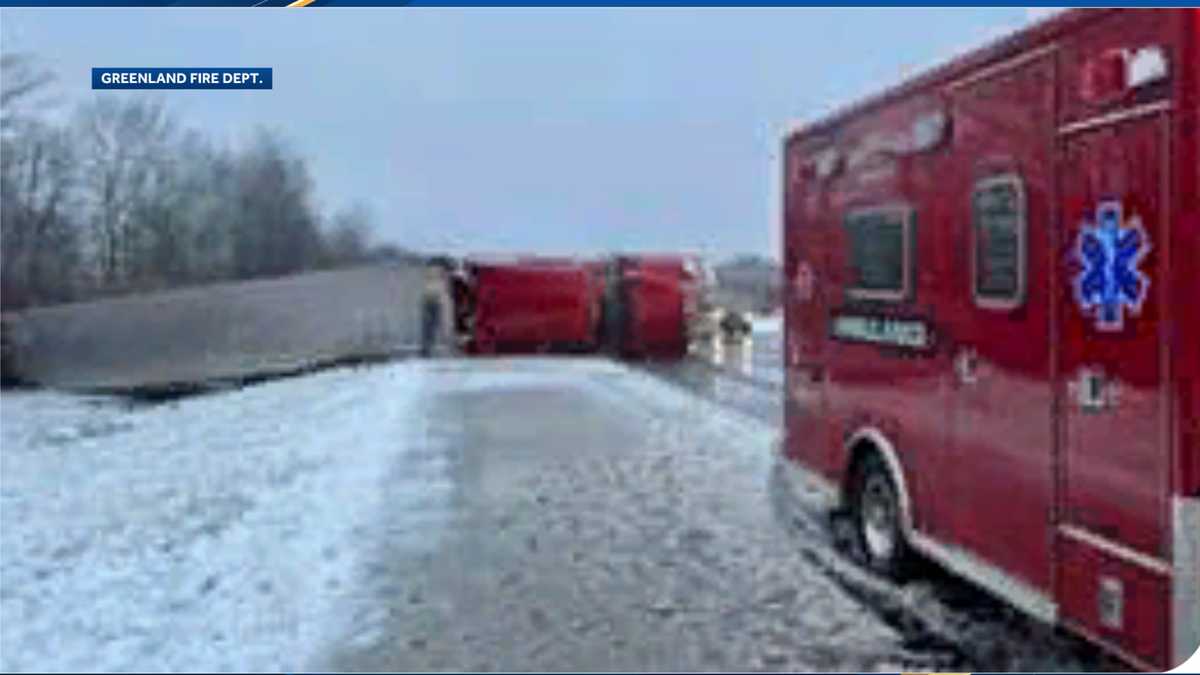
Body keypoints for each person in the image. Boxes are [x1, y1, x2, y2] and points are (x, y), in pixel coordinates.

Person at [420, 258, 450, 357]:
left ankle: (427, 347)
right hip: (435, 301)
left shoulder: (429, 274)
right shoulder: (442, 274)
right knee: (436, 325)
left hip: (429, 300)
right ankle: (431, 346)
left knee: (429, 326)